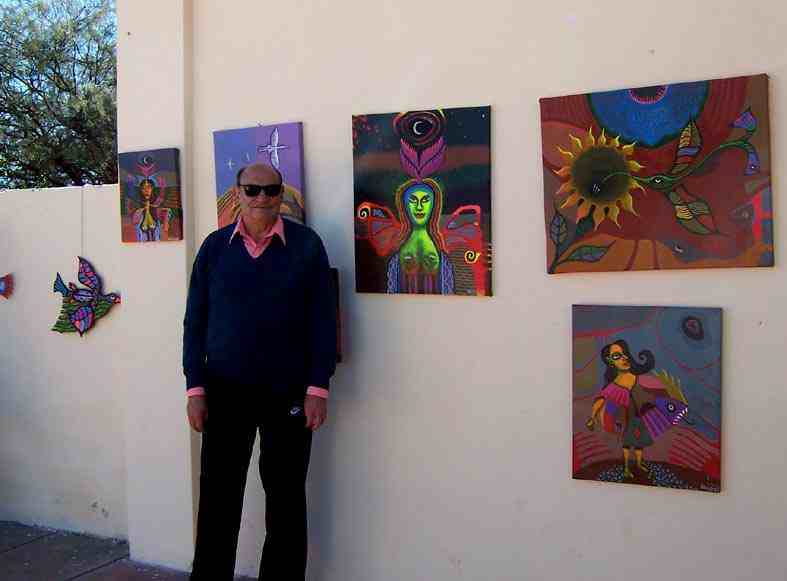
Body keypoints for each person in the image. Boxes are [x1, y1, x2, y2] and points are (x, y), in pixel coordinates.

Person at [183, 162, 337, 580]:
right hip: (224, 391)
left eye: (270, 190)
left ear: (281, 194)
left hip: (288, 392)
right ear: (238, 194)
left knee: (286, 498)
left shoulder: (306, 246)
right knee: (218, 497)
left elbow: (324, 320)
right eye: (252, 190)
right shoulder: (215, 248)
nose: (262, 198)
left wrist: (318, 388)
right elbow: (195, 321)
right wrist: (195, 388)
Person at [586, 340, 666, 479]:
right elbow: (600, 400)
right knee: (627, 444)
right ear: (610, 361)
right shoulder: (613, 386)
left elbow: (656, 396)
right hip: (626, 420)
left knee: (640, 443)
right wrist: (592, 418)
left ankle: (639, 464)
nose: (624, 358)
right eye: (617, 356)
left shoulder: (640, 379)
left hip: (642, 418)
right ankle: (627, 467)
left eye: (625, 354)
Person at [386, 178, 454, 294]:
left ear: (434, 205)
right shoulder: (395, 258)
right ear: (404, 206)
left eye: (425, 200)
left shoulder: (443, 256)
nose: (419, 207)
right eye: (413, 200)